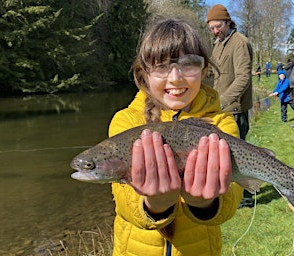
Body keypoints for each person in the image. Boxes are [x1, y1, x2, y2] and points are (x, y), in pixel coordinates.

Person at [107, 18, 243, 256]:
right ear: (144, 73)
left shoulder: (221, 124)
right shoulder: (125, 123)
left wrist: (203, 202)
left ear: (204, 69)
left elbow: (230, 203)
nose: (176, 77)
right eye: (161, 66)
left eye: (189, 64)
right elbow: (124, 202)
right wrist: (155, 205)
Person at [206, 4, 254, 208]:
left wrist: (223, 101)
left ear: (228, 22)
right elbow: (213, 71)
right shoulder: (218, 43)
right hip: (220, 110)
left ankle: (247, 196)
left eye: (218, 27)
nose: (215, 31)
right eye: (212, 28)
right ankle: (232, 192)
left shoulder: (239, 42)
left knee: (239, 157)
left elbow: (243, 78)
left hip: (235, 109)